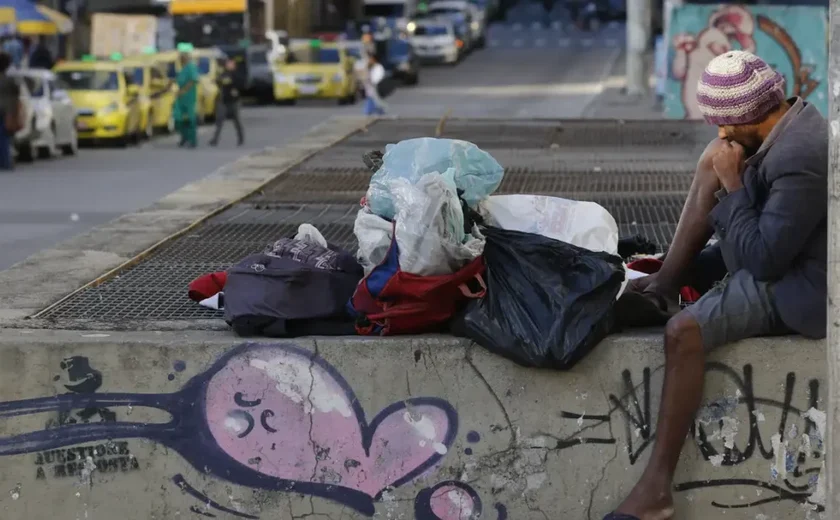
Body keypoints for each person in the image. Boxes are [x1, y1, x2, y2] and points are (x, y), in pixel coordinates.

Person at [604, 50, 827, 520]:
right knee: (713, 163)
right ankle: (665, 283)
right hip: (774, 249)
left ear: (747, 118)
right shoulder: (785, 123)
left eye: (724, 126)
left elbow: (763, 262)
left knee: (683, 332)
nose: (720, 134)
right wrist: (723, 173)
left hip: (799, 285)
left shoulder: (800, 156)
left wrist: (734, 185)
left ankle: (655, 492)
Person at [209, 58, 244, 147]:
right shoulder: (223, 74)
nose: (228, 65)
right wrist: (217, 81)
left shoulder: (237, 74)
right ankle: (215, 139)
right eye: (228, 63)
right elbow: (219, 81)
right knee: (219, 121)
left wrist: (233, 86)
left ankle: (240, 138)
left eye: (230, 64)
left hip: (234, 101)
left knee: (236, 121)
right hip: (223, 100)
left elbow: (241, 84)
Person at [173, 43, 199, 148]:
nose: (180, 59)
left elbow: (193, 80)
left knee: (190, 119)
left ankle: (192, 140)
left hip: (188, 97)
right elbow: (179, 80)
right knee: (179, 119)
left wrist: (183, 90)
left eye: (182, 57)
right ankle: (184, 138)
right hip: (180, 98)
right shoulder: (182, 69)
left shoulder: (191, 67)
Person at [0, 52, 20, 170]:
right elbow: (17, 97)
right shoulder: (10, 81)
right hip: (6, 112)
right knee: (4, 138)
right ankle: (5, 162)